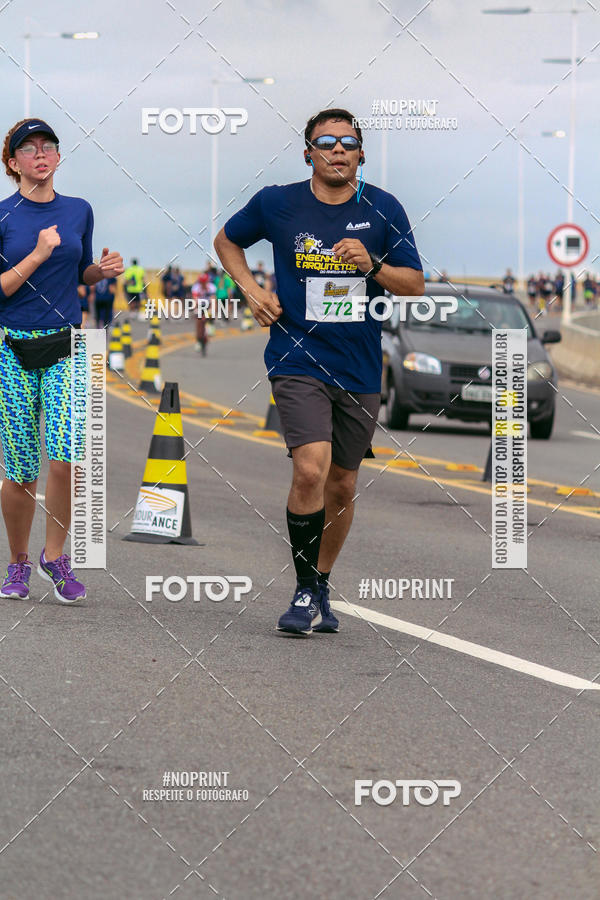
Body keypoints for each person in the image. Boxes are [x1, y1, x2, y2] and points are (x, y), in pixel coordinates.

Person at [214, 107, 424, 635]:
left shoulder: (384, 208)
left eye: (347, 143)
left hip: (357, 364)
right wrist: (253, 291)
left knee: (343, 483)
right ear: (307, 151)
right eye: (325, 142)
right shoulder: (278, 203)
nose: (336, 150)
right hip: (295, 356)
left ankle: (321, 581)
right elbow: (226, 240)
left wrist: (371, 266)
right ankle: (304, 590)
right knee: (310, 467)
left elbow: (414, 285)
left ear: (360, 155)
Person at [0, 118, 123, 603]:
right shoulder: (4, 216)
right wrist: (35, 253)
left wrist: (101, 270)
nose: (40, 154)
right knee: (20, 470)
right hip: (12, 348)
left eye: (48, 146)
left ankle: (56, 555)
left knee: (68, 456)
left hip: (67, 345)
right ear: (13, 164)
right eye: (28, 149)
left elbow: (81, 270)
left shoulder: (78, 210)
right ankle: (17, 562)